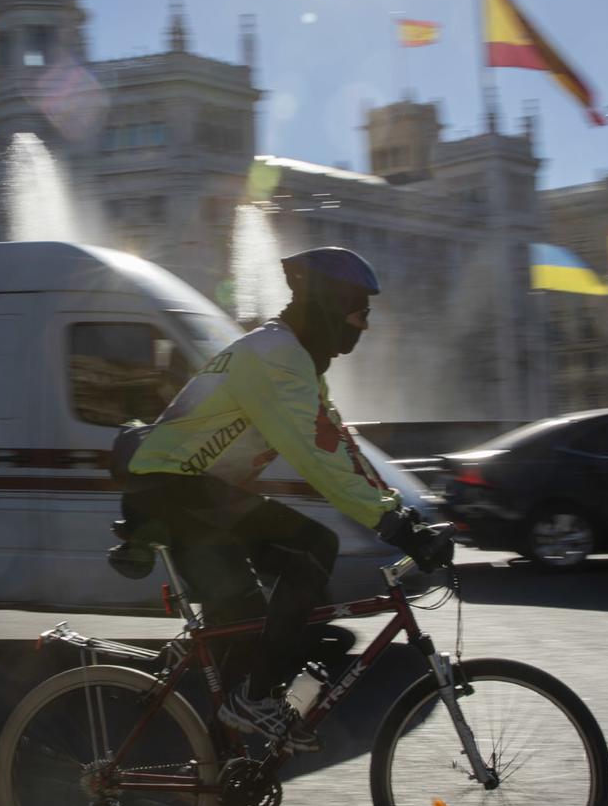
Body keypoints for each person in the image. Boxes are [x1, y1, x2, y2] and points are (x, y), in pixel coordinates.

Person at [115, 247, 453, 748]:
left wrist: (396, 510)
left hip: (190, 490)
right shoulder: (276, 358)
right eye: (360, 312)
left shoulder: (291, 359)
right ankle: (253, 700)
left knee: (248, 628)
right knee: (309, 551)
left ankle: (230, 776)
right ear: (328, 305)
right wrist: (394, 525)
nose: (364, 327)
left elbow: (339, 443)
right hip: (172, 489)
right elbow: (320, 459)